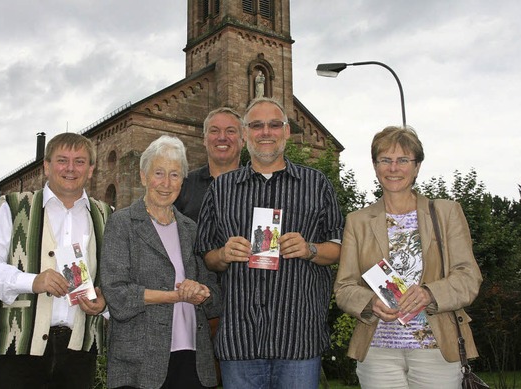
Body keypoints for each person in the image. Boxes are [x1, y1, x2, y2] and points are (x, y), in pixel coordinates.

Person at [195, 97, 345, 388]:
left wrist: (310, 249)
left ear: (287, 131)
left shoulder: (316, 184)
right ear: (245, 134)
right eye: (257, 125)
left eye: (274, 125)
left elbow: (340, 248)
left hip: (298, 338)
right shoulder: (222, 189)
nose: (266, 132)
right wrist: (223, 255)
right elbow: (206, 255)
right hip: (240, 340)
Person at [334, 126, 483, 388]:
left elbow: (469, 278)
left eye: (403, 160)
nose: (394, 168)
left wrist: (429, 293)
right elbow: (344, 288)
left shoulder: (446, 213)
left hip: (437, 349)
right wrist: (369, 301)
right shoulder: (357, 221)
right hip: (378, 352)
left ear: (417, 166)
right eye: (385, 160)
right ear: (375, 165)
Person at [0, 133, 112, 388]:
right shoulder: (15, 206)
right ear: (46, 166)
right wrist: (31, 281)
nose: (70, 168)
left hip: (78, 354)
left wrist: (105, 302)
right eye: (62, 160)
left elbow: (118, 277)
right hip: (18, 350)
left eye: (79, 161)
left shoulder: (108, 216)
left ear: (91, 170)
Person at [100, 135, 222, 389]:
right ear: (143, 177)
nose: (166, 183)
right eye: (159, 173)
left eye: (175, 175)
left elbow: (215, 299)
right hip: (140, 362)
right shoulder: (122, 224)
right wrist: (175, 296)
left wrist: (202, 292)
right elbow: (118, 295)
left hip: (192, 360)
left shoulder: (192, 229)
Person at [174, 106, 245, 222]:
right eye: (214, 131)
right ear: (204, 139)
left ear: (243, 140)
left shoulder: (258, 186)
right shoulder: (183, 185)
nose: (222, 137)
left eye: (230, 131)